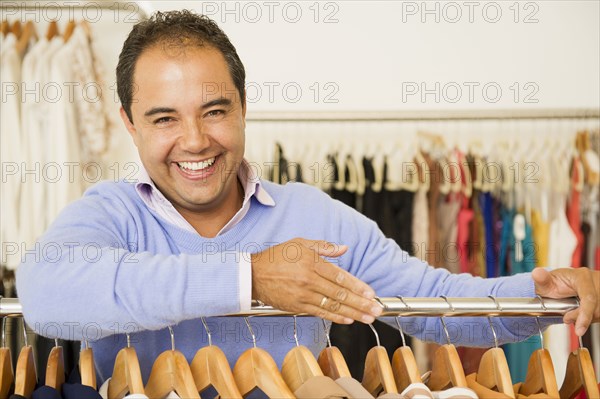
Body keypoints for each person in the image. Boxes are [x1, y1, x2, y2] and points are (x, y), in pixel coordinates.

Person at [16, 10, 599, 385]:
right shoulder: (108, 215)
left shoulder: (316, 218)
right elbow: (44, 293)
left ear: (243, 108)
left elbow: (437, 302)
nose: (194, 140)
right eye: (164, 118)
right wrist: (251, 279)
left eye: (214, 111)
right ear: (129, 122)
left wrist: (539, 295)